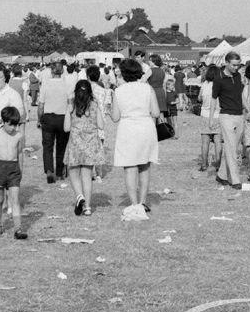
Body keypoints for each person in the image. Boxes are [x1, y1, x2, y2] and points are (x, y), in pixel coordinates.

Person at [110, 58, 160, 214]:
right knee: (144, 165)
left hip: (128, 129)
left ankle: (134, 203)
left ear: (123, 73)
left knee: (129, 166)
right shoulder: (147, 88)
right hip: (146, 127)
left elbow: (115, 117)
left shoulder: (119, 91)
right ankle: (143, 201)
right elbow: (156, 112)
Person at [64, 79, 106, 216]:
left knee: (73, 173)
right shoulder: (94, 105)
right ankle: (87, 207)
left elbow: (66, 128)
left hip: (75, 143)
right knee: (87, 177)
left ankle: (79, 196)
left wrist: (68, 110)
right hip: (90, 144)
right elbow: (101, 125)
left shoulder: (72, 106)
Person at [0, 106, 26, 238]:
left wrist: (21, 169)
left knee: (15, 199)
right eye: (11, 125)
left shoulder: (19, 136)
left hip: (13, 169)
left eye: (16, 125)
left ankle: (18, 229)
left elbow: (20, 153)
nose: (14, 128)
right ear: (4, 122)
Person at [211, 52, 246, 197]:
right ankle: (235, 179)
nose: (236, 68)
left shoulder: (238, 76)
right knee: (232, 148)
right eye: (234, 65)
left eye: (238, 65)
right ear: (226, 63)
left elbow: (241, 95)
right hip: (226, 115)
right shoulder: (218, 79)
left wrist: (247, 109)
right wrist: (211, 118)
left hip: (240, 115)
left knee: (233, 147)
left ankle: (222, 175)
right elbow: (214, 99)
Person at [37, 62, 71, 183]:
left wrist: (39, 119)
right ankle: (59, 172)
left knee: (47, 146)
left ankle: (49, 170)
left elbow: (41, 106)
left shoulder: (45, 85)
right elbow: (70, 104)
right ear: (62, 71)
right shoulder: (67, 85)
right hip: (63, 118)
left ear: (51, 71)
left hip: (48, 117)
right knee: (61, 146)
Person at [197, 65, 222, 173]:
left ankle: (203, 164)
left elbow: (199, 98)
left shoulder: (204, 85)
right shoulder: (221, 85)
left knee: (205, 142)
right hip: (218, 115)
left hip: (205, 114)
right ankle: (218, 164)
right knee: (218, 142)